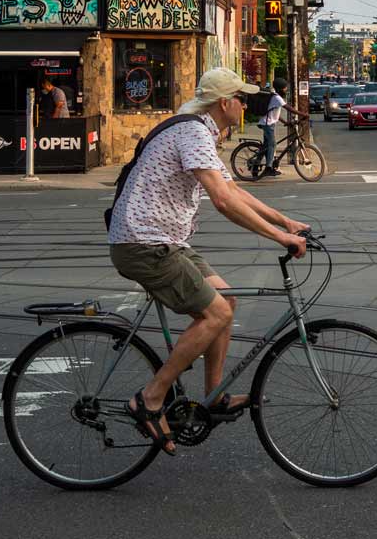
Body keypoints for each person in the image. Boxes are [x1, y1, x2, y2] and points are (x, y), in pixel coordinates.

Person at [107, 67, 308, 455]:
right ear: (224, 103)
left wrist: (285, 221)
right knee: (215, 314)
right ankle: (150, 399)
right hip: (144, 243)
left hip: (166, 241)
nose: (247, 104)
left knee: (226, 300)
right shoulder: (194, 133)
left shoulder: (201, 132)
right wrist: (281, 238)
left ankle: (213, 395)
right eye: (242, 98)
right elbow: (223, 200)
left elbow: (233, 189)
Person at [261, 77, 287, 177]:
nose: (286, 90)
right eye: (285, 88)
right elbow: (288, 108)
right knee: (273, 144)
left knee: (266, 146)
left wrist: (285, 122)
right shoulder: (277, 98)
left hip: (268, 123)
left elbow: (275, 113)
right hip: (268, 124)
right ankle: (268, 167)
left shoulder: (275, 97)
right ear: (281, 88)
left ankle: (256, 162)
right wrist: (303, 114)